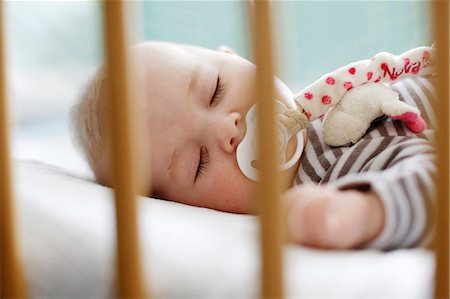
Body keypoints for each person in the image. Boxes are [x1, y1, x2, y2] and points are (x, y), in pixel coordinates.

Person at [72, 41, 435, 250]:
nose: (226, 131)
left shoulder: (323, 103)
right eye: (198, 162)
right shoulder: (329, 172)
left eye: (215, 90)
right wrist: (364, 211)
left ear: (231, 55)